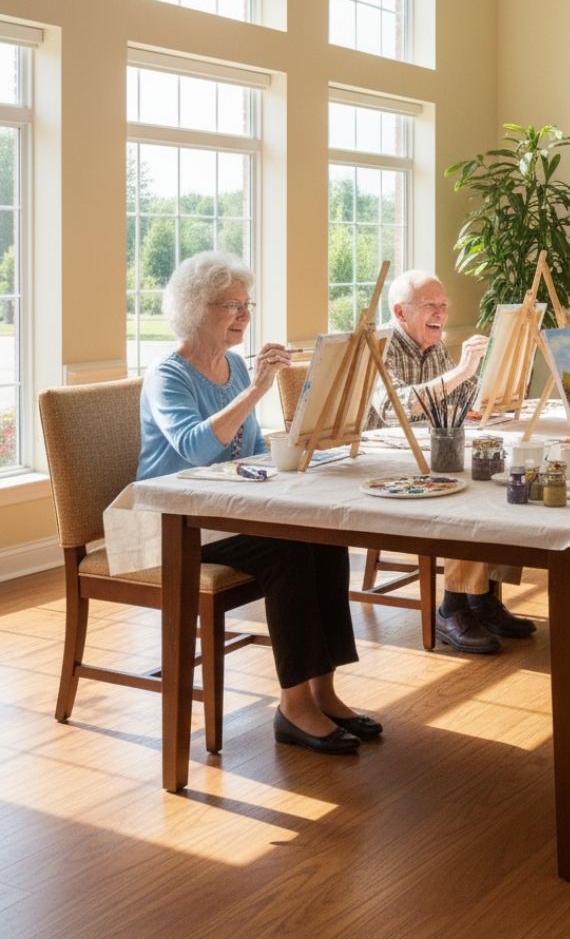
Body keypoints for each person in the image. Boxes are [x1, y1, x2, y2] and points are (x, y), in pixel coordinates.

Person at [138, 251, 378, 756]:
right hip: (175, 523)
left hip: (226, 509)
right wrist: (257, 391)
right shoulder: (169, 375)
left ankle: (323, 691)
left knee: (323, 539)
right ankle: (293, 708)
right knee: (287, 552)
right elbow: (196, 449)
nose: (245, 316)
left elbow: (247, 454)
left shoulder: (231, 364)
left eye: (247, 305)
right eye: (232, 306)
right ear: (194, 308)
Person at [369, 269, 536, 655]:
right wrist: (461, 372)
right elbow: (397, 408)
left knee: (500, 475)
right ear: (400, 312)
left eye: (444, 306)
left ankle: (482, 599)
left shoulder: (435, 345)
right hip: (386, 462)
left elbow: (454, 401)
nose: (440, 314)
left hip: (431, 454)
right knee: (473, 492)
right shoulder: (381, 345)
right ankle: (452, 607)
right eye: (430, 305)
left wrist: (488, 394)